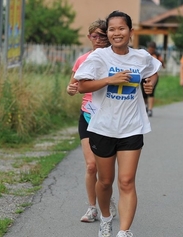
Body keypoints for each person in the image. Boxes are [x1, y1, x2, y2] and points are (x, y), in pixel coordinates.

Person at [74, 10, 161, 237]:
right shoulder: (99, 57)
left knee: (126, 181)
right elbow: (82, 86)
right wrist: (109, 81)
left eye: (121, 28)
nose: (116, 33)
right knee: (105, 181)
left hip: (132, 127)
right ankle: (104, 218)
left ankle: (123, 234)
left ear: (131, 32)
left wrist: (150, 82)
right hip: (103, 127)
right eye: (112, 29)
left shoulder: (141, 57)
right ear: (108, 33)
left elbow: (153, 70)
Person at [66, 19, 117, 223]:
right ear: (89, 37)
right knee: (91, 166)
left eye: (102, 36)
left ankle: (106, 197)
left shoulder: (115, 60)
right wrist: (70, 90)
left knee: (106, 169)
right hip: (87, 115)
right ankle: (92, 208)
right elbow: (73, 87)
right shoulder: (82, 60)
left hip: (108, 117)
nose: (97, 40)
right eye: (93, 36)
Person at [140, 41, 165, 117]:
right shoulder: (144, 54)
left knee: (151, 92)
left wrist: (160, 63)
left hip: (153, 76)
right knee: (144, 93)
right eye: (149, 48)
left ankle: (150, 109)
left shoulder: (157, 55)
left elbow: (162, 64)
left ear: (154, 49)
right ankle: (145, 106)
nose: (150, 50)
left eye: (152, 49)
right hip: (144, 75)